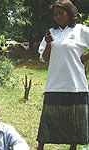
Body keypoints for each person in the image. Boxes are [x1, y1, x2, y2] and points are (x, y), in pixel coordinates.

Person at [37, 0, 89, 150]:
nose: (58, 16)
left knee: (74, 119)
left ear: (70, 13)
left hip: (75, 84)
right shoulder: (50, 33)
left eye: (61, 13)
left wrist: (85, 58)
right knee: (49, 118)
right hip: (54, 83)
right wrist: (48, 44)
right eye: (55, 14)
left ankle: (72, 147)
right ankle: (40, 146)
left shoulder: (81, 30)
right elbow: (44, 58)